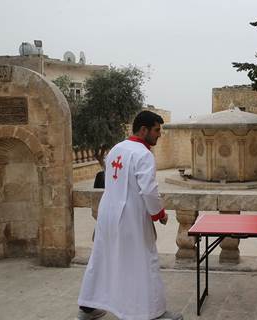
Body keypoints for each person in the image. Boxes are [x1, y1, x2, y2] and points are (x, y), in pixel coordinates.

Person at [76, 110, 183, 320]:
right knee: (143, 261)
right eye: (156, 130)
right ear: (143, 130)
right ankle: (152, 313)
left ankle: (88, 308)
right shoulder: (144, 154)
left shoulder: (116, 149)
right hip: (131, 218)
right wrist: (159, 214)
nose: (159, 135)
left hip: (107, 215)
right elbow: (149, 190)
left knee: (102, 258)